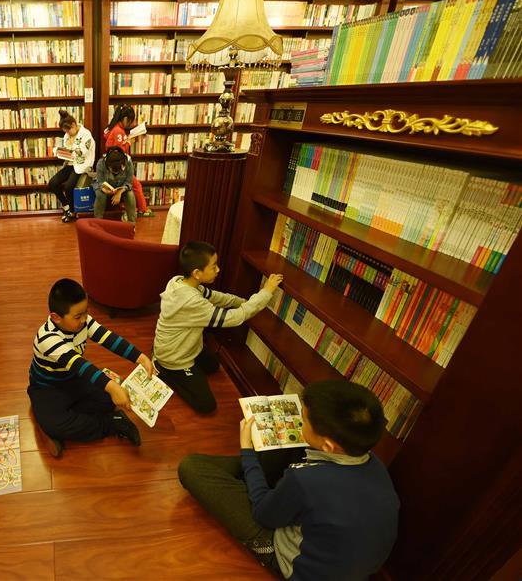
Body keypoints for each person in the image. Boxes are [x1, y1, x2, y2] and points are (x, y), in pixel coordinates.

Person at [178, 380, 400, 580]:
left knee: (192, 468)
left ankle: (253, 466)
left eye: (303, 421)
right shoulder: (375, 465)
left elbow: (263, 514)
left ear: (329, 446)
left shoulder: (305, 480)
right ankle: (257, 470)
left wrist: (247, 450)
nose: (299, 422)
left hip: (298, 567)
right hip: (345, 564)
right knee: (271, 455)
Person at [27, 278, 154, 457]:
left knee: (108, 399)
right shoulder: (47, 338)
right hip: (48, 388)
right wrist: (112, 387)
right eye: (78, 316)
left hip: (74, 379)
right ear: (56, 317)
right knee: (56, 424)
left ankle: (66, 420)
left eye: (85, 313)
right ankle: (111, 424)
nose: (84, 319)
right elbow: (80, 365)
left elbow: (108, 338)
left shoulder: (83, 322)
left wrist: (139, 357)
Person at [153, 241, 283, 413]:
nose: (218, 270)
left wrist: (244, 302)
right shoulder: (191, 302)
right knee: (206, 406)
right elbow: (235, 318)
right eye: (213, 266)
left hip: (187, 347)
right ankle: (163, 369)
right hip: (173, 358)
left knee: (213, 366)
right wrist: (266, 292)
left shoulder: (180, 282)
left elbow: (217, 297)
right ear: (197, 273)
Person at [104, 104, 152, 218]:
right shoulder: (118, 132)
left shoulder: (112, 128)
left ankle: (139, 208)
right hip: (120, 166)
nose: (130, 124)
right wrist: (128, 143)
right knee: (136, 186)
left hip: (113, 166)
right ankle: (143, 209)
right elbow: (119, 152)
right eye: (130, 121)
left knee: (134, 186)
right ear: (125, 119)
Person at [49, 109, 95, 223]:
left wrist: (71, 147)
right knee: (52, 183)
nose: (67, 134)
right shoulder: (66, 135)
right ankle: (66, 206)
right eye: (65, 131)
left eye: (68, 131)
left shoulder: (86, 134)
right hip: (71, 163)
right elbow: (67, 151)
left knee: (69, 187)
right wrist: (60, 152)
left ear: (74, 125)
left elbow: (83, 151)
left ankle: (73, 211)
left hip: (82, 164)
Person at [93, 147, 137, 225]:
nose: (116, 173)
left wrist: (119, 192)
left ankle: (131, 224)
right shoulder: (101, 163)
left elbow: (129, 182)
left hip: (122, 187)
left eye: (118, 170)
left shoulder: (128, 162)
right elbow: (100, 181)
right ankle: (98, 222)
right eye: (113, 170)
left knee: (130, 194)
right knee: (100, 195)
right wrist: (104, 189)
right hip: (106, 188)